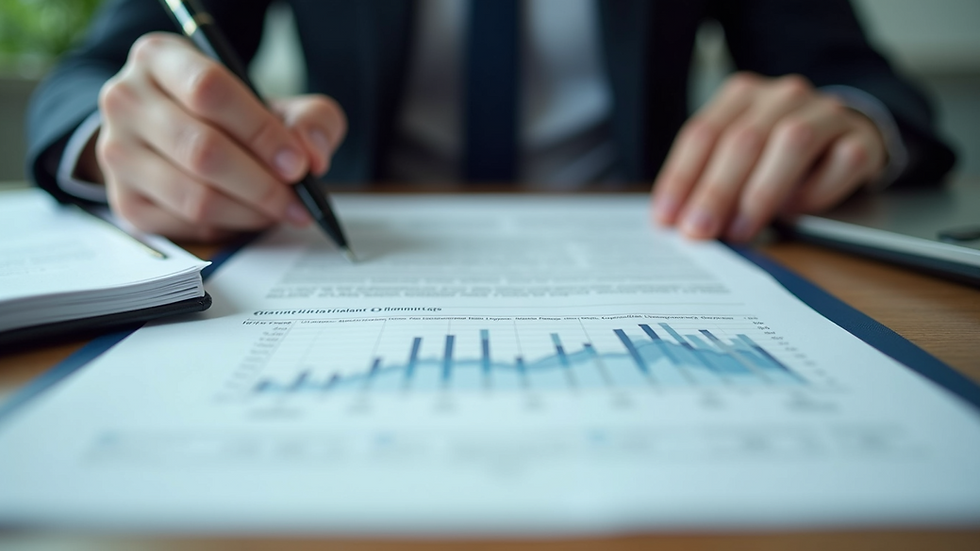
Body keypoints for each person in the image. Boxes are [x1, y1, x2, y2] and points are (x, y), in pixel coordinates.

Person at [26, 0, 955, 244]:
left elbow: (856, 76)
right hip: (340, 252)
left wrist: (849, 124)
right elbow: (92, 72)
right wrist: (132, 141)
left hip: (666, 239)